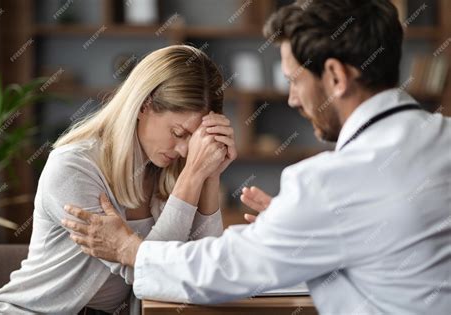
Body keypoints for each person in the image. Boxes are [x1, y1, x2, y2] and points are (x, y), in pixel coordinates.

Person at [62, 0, 451, 314]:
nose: (294, 99)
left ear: (335, 76)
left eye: (295, 80)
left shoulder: (328, 183)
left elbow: (227, 269)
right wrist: (296, 229)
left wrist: (130, 250)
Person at [0, 45, 237, 314]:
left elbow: (204, 272)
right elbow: (151, 276)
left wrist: (210, 175)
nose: (185, 151)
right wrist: (194, 173)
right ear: (144, 105)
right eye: (178, 132)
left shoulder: (164, 169)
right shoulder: (74, 167)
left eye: (194, 140)